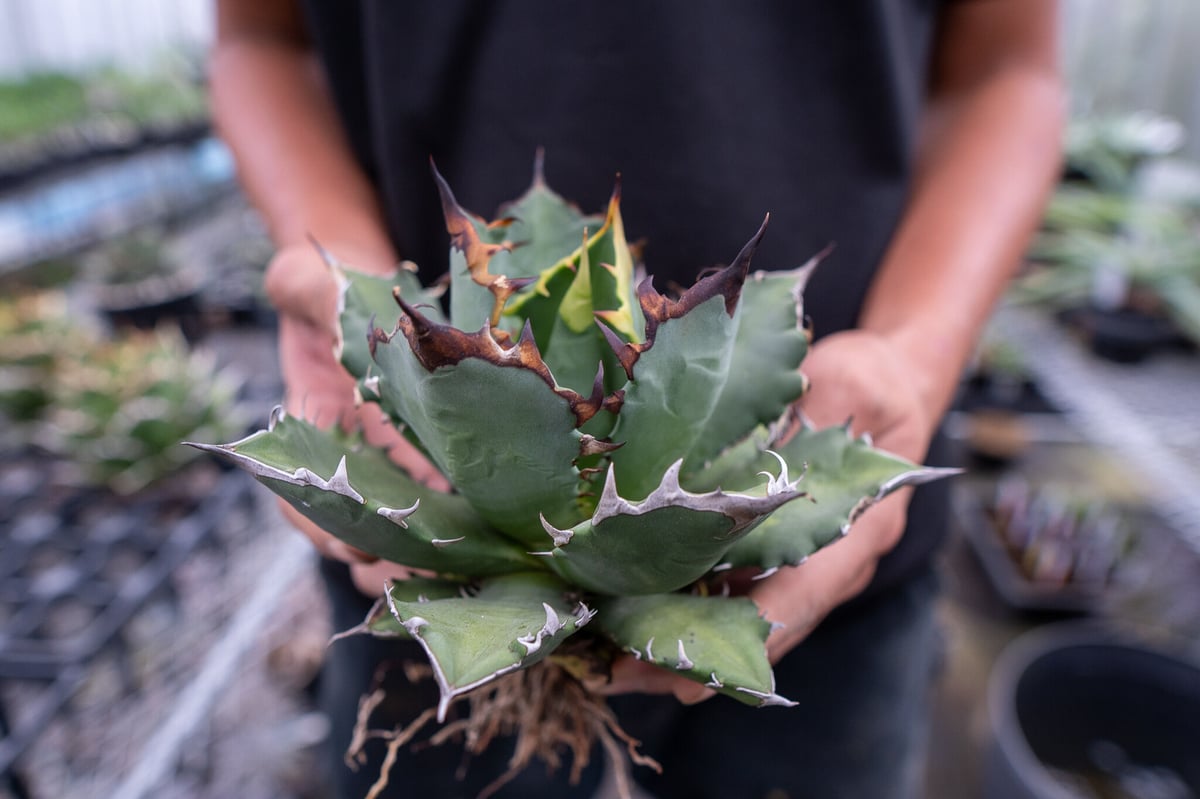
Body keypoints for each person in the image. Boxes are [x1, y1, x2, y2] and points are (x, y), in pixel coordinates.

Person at [210, 2, 1064, 797]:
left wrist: (912, 357)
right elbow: (263, 39)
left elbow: (1005, 70)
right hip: (449, 611)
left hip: (814, 563)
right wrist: (342, 277)